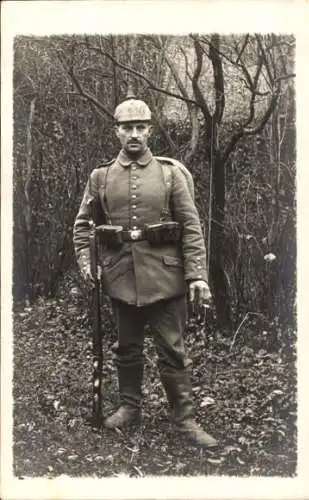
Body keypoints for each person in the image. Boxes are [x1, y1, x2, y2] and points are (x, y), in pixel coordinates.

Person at [73, 92, 218, 448]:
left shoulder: (169, 175)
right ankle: (129, 407)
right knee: (127, 347)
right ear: (117, 132)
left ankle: (184, 419)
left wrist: (197, 274)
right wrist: (87, 262)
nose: (134, 134)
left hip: (166, 278)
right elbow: (82, 226)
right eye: (127, 128)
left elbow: (191, 225)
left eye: (140, 127)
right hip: (120, 275)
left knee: (172, 349)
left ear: (150, 131)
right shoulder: (101, 177)